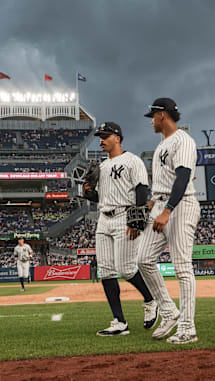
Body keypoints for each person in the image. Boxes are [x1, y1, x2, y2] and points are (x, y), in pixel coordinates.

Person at [83, 121, 158, 337]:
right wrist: (88, 192)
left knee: (125, 269)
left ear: (117, 138)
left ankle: (150, 299)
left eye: (105, 135)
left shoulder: (132, 161)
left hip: (125, 216)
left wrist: (137, 219)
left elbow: (141, 189)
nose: (101, 140)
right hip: (103, 219)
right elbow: (100, 197)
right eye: (100, 136)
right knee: (105, 271)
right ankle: (119, 322)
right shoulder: (101, 167)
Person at [138, 98, 201, 345]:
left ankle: (187, 328)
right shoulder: (161, 144)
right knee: (143, 259)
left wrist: (168, 210)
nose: (151, 121)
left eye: (152, 116)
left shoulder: (183, 141)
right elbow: (162, 185)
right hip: (161, 204)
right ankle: (169, 313)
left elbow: (183, 177)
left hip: (181, 205)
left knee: (183, 268)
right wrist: (151, 207)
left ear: (162, 115)